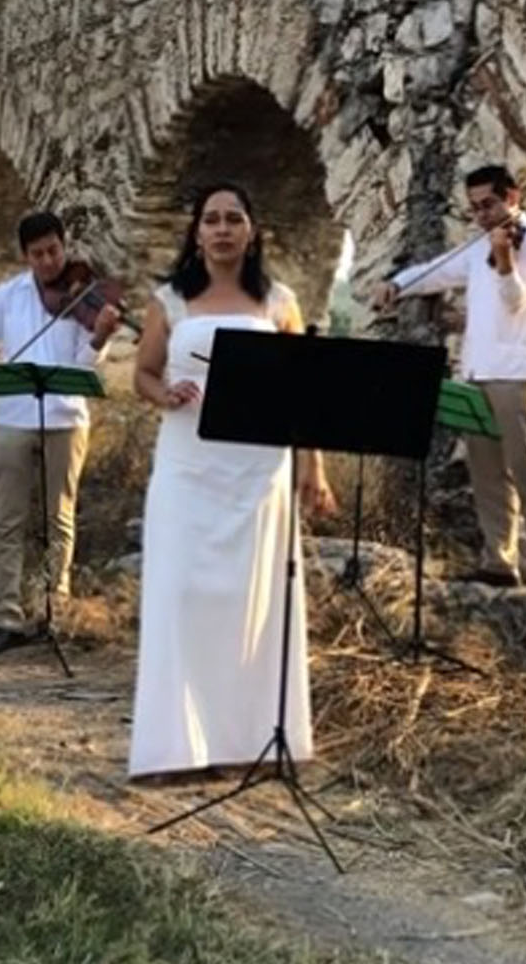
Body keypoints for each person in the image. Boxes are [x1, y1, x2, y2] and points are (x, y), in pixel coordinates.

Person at [128, 183, 336, 781]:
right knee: (180, 597)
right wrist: (163, 393)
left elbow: (303, 393)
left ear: (252, 231)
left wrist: (312, 467)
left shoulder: (279, 302)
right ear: (197, 233)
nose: (222, 229)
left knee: (256, 604)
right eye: (212, 220)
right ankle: (176, 747)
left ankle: (248, 743)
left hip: (258, 471)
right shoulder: (169, 300)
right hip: (188, 465)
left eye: (234, 219)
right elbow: (142, 373)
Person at [371, 164, 526, 592]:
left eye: (490, 204)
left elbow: (516, 301)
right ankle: (499, 562)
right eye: (476, 208)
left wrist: (504, 258)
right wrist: (397, 284)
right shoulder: (476, 247)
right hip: (478, 369)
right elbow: (437, 272)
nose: (483, 215)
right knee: (486, 472)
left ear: (513, 198)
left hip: (517, 371)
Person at [0, 211, 122, 658]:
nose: (48, 261)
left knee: (58, 519)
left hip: (66, 418)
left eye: (54, 251)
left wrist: (100, 339)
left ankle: (53, 609)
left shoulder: (81, 293)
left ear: (64, 247)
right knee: (9, 521)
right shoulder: (9, 296)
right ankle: (5, 615)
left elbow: (83, 365)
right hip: (13, 417)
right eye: (38, 254)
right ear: (25, 255)